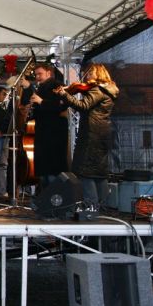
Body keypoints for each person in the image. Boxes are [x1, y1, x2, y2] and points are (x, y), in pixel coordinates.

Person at [56, 64, 118, 207]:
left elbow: (83, 106)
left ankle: (91, 205)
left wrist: (64, 94)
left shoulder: (98, 90)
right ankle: (104, 206)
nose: (86, 75)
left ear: (97, 73)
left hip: (92, 132)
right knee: (99, 171)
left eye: (89, 73)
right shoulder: (109, 89)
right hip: (103, 131)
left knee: (85, 170)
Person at [23, 63, 69, 188]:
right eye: (36, 74)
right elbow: (40, 110)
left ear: (49, 73)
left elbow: (62, 105)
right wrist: (30, 110)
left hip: (54, 132)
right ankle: (45, 195)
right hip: (42, 131)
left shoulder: (57, 85)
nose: (37, 77)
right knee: (43, 166)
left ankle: (55, 195)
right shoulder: (40, 88)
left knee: (53, 166)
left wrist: (41, 101)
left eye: (40, 74)